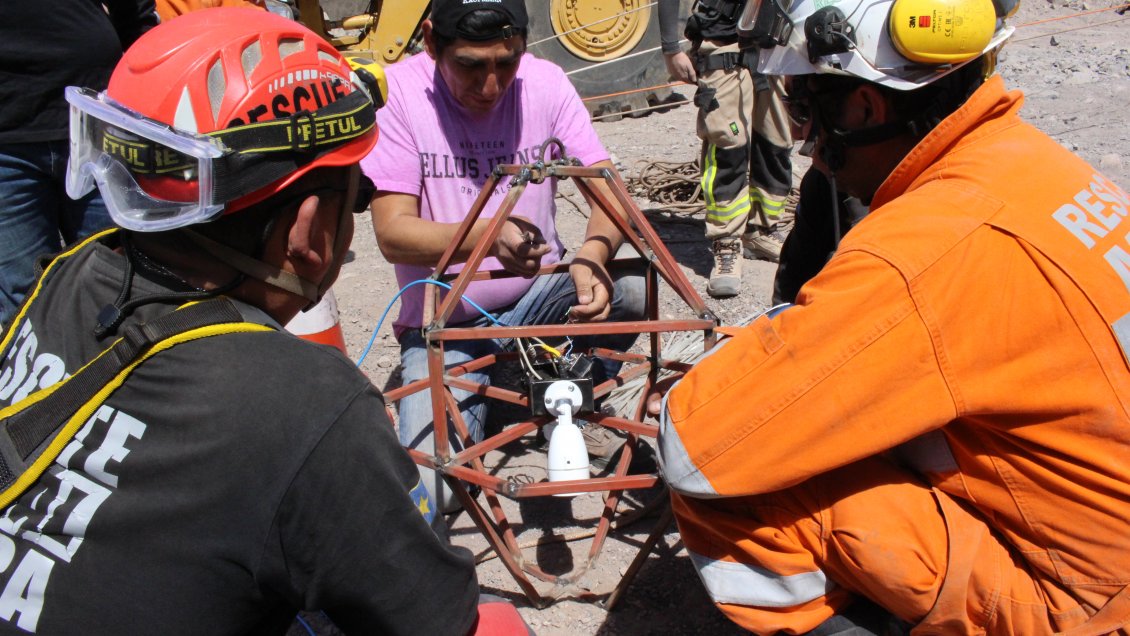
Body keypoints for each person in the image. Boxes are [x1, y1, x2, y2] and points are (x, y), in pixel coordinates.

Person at [0, 9, 529, 634]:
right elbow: (434, 618)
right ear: (308, 231)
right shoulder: (307, 403)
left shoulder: (68, 273)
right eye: (354, 195)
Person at [652, 0, 1130, 631]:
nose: (802, 140)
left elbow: (695, 444)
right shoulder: (1033, 164)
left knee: (734, 491)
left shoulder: (923, 248)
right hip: (1101, 523)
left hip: (1087, 599)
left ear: (864, 109)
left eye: (802, 109)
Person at [365, 0, 648, 514]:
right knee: (436, 494)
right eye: (471, 66)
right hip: (448, 326)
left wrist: (592, 253)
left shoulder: (545, 83)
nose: (491, 86)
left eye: (506, 63)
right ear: (431, 43)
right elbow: (393, 233)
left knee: (628, 288)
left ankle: (555, 393)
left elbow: (613, 197)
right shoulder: (401, 94)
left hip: (539, 308)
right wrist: (489, 238)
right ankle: (511, 395)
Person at [0, 0, 158, 328]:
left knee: (130, 280)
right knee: (26, 304)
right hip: (7, 144)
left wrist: (152, 93)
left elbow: (137, 17)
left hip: (99, 118)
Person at [656, 0, 794, 298]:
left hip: (775, 44)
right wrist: (671, 47)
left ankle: (761, 230)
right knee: (728, 149)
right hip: (723, 47)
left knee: (776, 143)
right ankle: (727, 241)